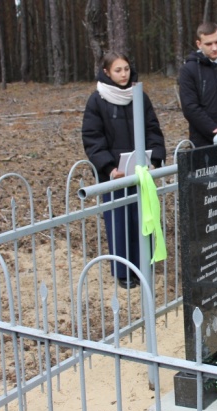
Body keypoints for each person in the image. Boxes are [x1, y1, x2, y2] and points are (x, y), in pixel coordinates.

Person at [82, 52, 166, 288]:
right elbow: (92, 137)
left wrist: (154, 159)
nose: (123, 74)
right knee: (118, 222)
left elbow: (153, 130)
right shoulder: (97, 100)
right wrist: (109, 167)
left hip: (140, 172)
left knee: (143, 218)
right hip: (115, 175)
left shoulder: (139, 96)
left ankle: (143, 266)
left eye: (126, 69)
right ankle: (123, 272)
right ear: (107, 72)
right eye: (118, 70)